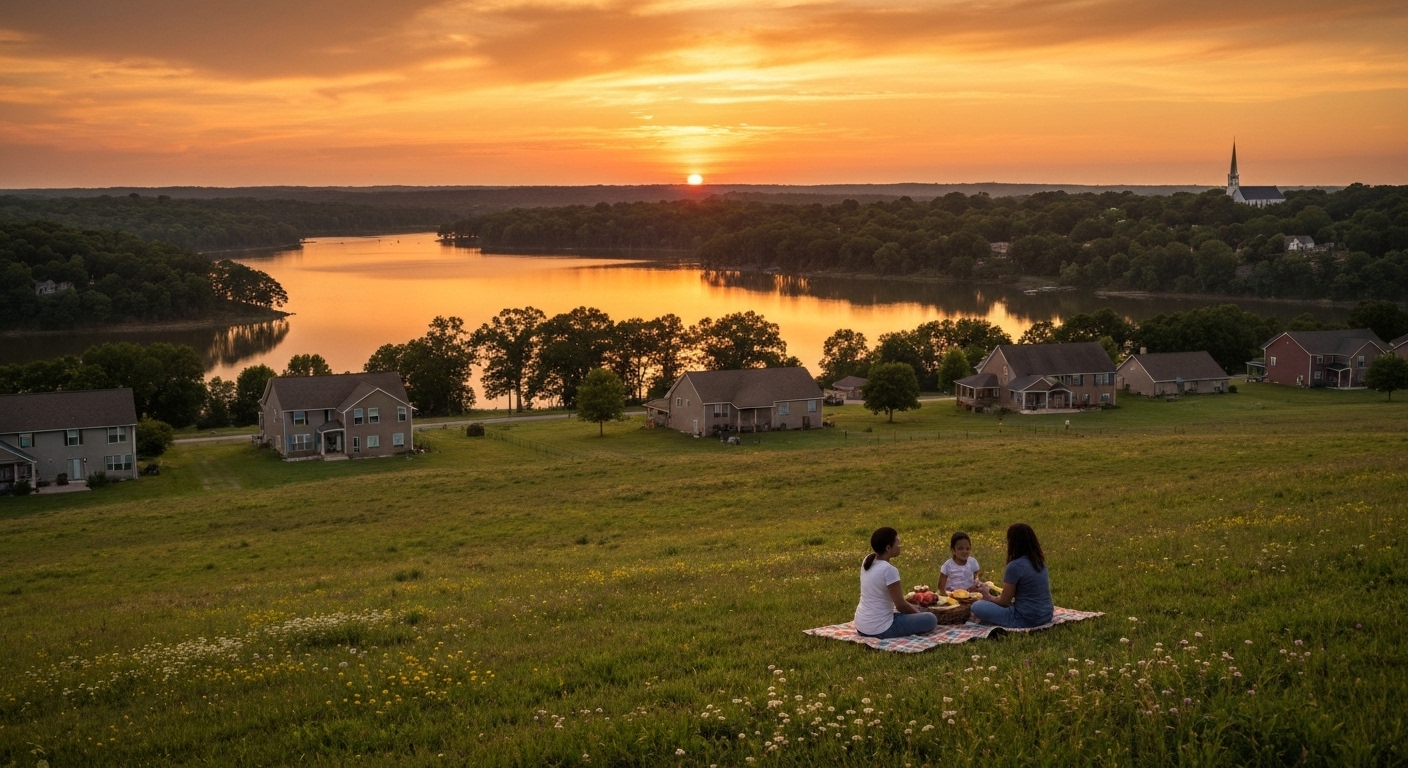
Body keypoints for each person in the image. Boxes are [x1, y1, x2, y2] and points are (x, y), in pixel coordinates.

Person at [854, 527, 939, 638]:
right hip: (881, 629)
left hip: (861, 626)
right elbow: (901, 606)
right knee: (931, 619)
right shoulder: (889, 570)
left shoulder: (868, 560)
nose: (900, 545)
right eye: (898, 542)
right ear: (888, 548)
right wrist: (919, 614)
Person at [969, 522, 1054, 628]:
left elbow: (1004, 602)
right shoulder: (1039, 562)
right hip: (1046, 615)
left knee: (977, 606)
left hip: (1026, 619)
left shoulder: (1015, 566)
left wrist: (987, 596)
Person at [937, 531, 982, 595]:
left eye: (967, 549)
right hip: (952, 595)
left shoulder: (973, 562)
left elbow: (976, 574)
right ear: (953, 550)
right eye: (960, 549)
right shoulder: (948, 566)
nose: (965, 551)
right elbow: (941, 587)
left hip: (969, 594)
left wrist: (976, 581)